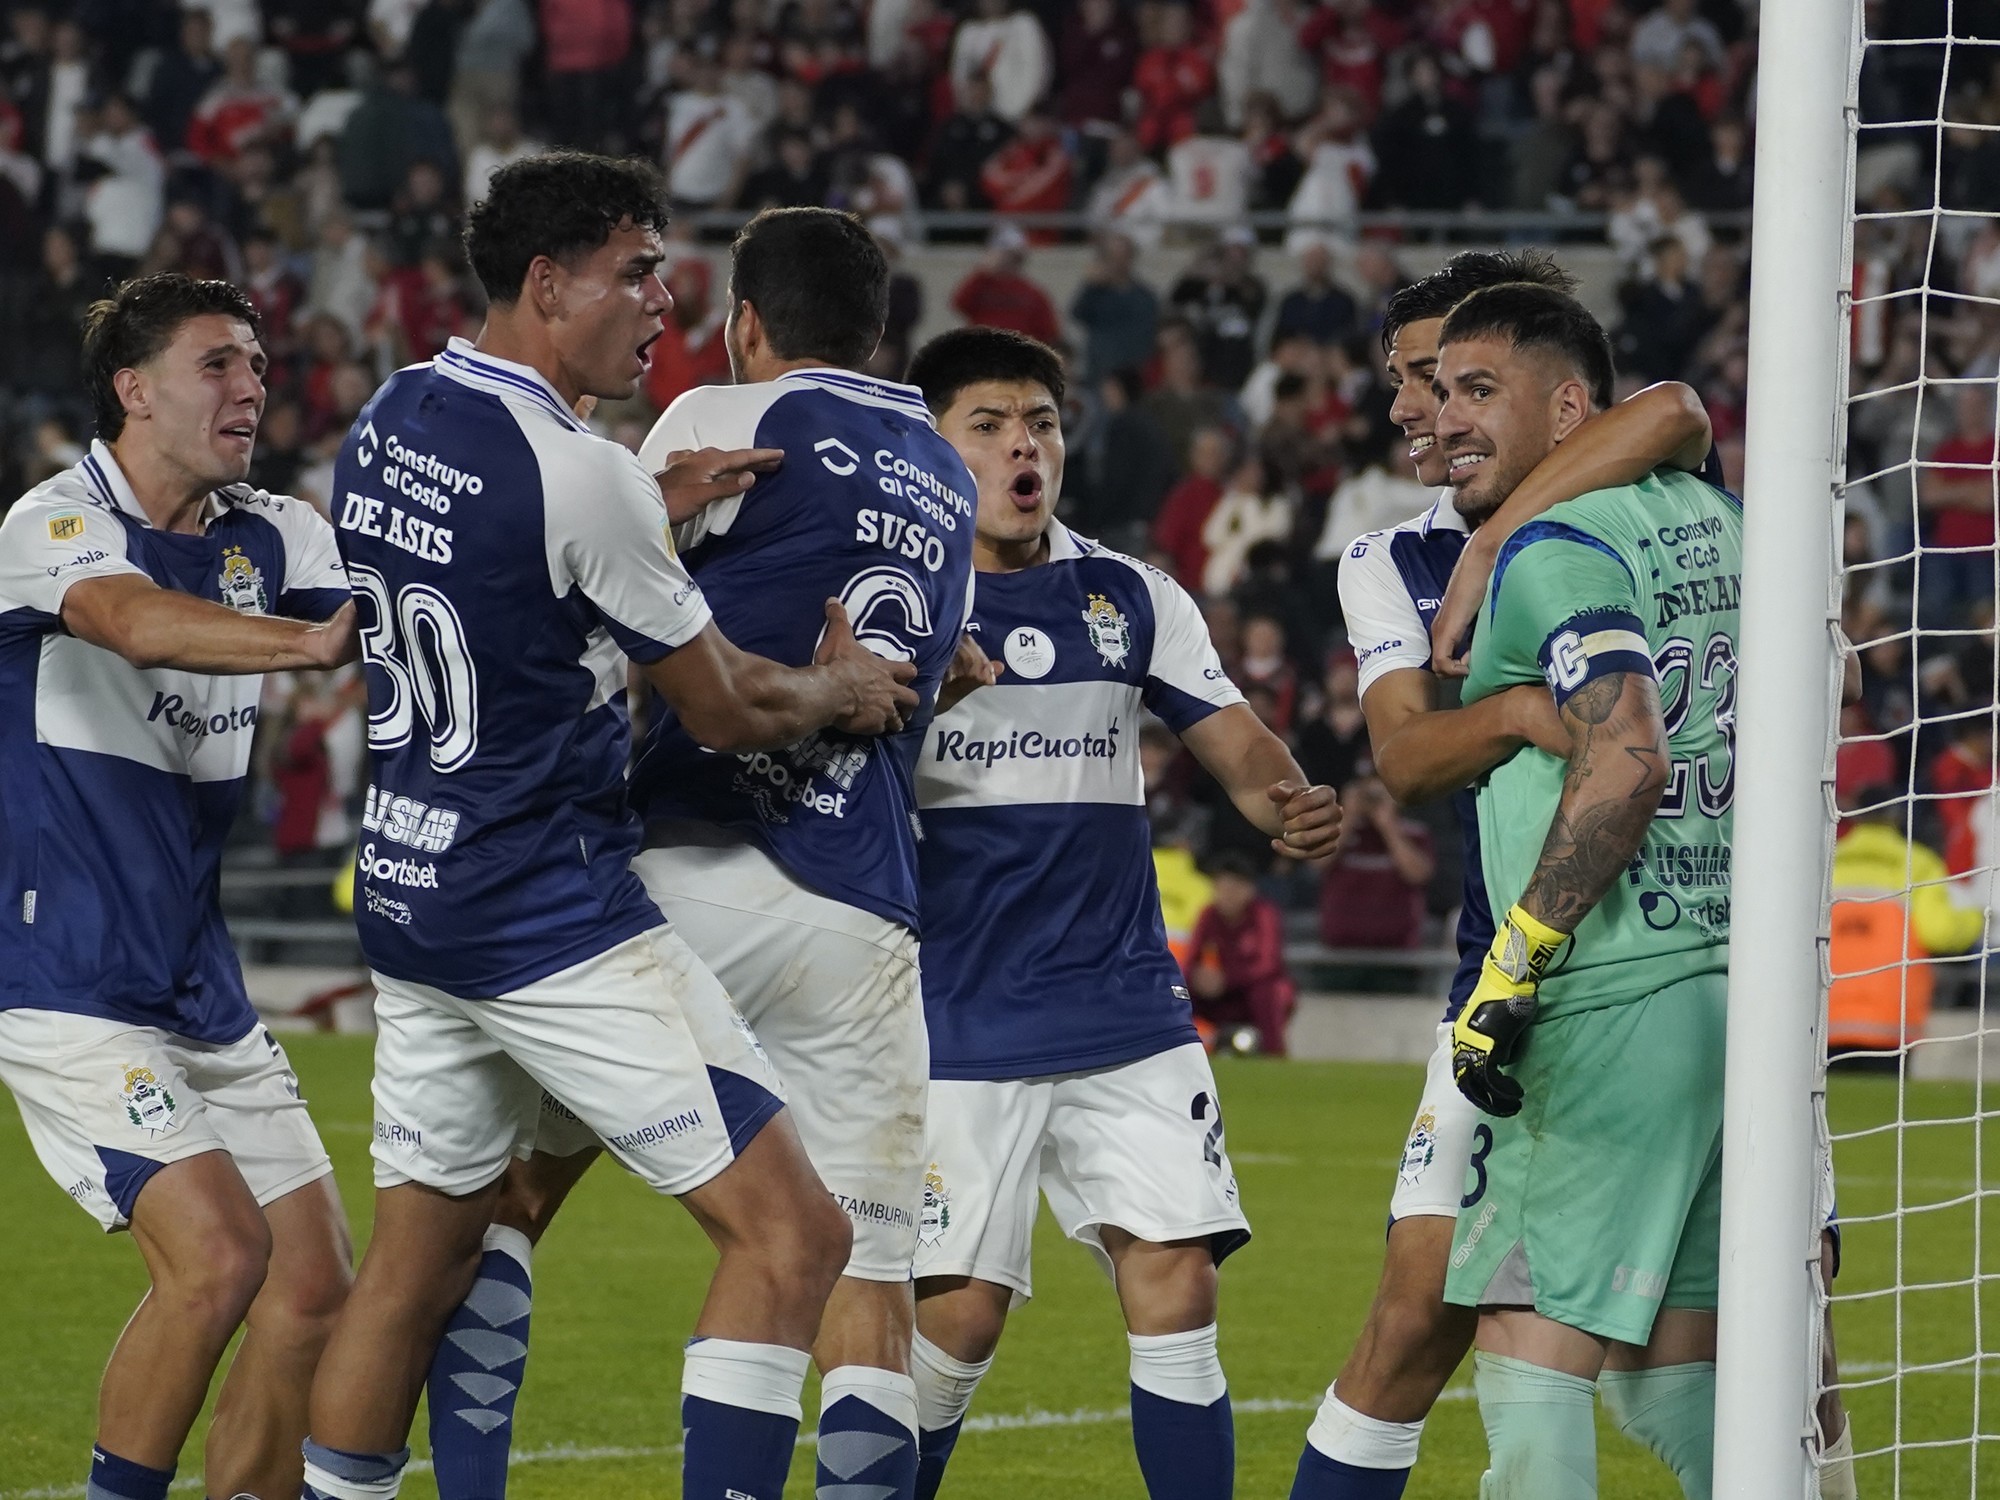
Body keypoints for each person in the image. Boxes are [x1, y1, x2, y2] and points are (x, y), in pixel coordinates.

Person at [299, 154, 919, 1500]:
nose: (664, 296)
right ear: (546, 282)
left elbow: (504, 571)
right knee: (797, 1238)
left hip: (407, 891)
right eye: (635, 270)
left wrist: (653, 509)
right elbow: (732, 708)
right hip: (547, 913)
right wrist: (851, 686)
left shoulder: (398, 409)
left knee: (414, 1266)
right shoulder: (582, 473)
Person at [1291, 250, 1718, 1499]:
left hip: (1638, 967)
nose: (1418, 410)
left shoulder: (1624, 497)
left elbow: (1677, 407)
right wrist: (1532, 707)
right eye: (1408, 383)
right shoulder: (1390, 557)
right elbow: (1409, 760)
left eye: (1451, 380)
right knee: (1419, 1318)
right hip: (1521, 984)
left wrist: (1499, 547)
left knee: (1727, 1347)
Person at [901, 325, 1342, 1499]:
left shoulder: (1129, 595)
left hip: (1123, 1008)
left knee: (1178, 1282)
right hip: (956, 1015)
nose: (1020, 447)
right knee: (959, 1321)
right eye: (986, 425)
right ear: (931, 445)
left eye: (1038, 422)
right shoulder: (893, 603)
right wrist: (896, 702)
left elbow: (1236, 742)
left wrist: (1283, 802)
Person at [0, 273, 359, 1500]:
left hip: (200, 986)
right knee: (217, 1260)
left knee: (313, 1287)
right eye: (217, 364)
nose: (251, 387)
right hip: (64, 978)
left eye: (258, 365)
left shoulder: (277, 534)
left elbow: (423, 606)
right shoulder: (51, 523)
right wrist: (309, 644)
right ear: (133, 388)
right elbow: (134, 623)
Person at [1426, 280, 1736, 1499]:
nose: (1445, 418)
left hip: (1608, 990)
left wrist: (1517, 962)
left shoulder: (1554, 548)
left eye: (1476, 390)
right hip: (1736, 990)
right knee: (1674, 1371)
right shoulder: (1719, 516)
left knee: (1524, 1348)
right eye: (1438, 390)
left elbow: (1625, 752)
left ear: (1567, 409)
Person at [1188, 850, 1298, 1054]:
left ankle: (1274, 1054)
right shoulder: (1208, 916)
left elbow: (1268, 964)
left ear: (1249, 889)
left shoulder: (1264, 914)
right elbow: (1192, 958)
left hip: (1250, 991)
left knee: (1270, 992)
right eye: (1221, 887)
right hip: (1220, 994)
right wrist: (1198, 978)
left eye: (1234, 888)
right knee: (1178, 994)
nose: (1227, 895)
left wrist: (1226, 979)